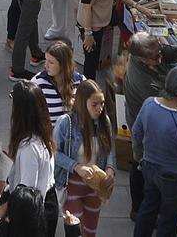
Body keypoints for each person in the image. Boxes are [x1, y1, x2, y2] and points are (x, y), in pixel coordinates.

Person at [130, 65, 177, 237]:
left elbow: (136, 132)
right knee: (168, 218)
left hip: (149, 167)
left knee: (148, 207)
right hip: (172, 176)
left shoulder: (148, 104)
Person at [55, 78, 117, 237]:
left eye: (102, 103)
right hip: (71, 185)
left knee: (90, 231)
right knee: (76, 230)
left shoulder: (105, 123)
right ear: (83, 103)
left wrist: (110, 169)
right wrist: (76, 166)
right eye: (94, 104)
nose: (100, 109)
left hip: (96, 187)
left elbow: (109, 150)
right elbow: (54, 153)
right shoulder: (66, 123)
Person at [0, 83, 56, 229]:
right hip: (44, 205)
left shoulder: (29, 149)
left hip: (29, 215)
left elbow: (26, 197)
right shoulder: (43, 135)